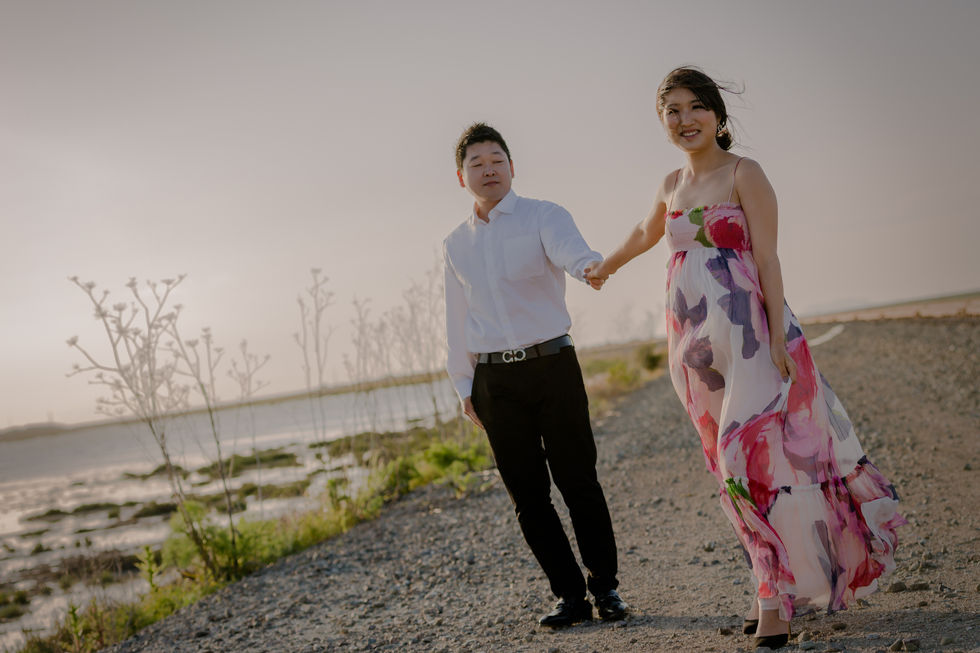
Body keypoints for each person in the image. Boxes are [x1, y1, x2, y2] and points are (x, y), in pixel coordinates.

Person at [586, 68, 905, 649]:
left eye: (695, 107)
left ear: (717, 114)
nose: (685, 120)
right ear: (662, 123)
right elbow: (643, 232)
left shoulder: (744, 173)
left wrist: (779, 339)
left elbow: (769, 259)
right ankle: (771, 587)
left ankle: (774, 601)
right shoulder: (670, 185)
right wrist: (603, 266)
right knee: (724, 467)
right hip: (696, 351)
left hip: (754, 337)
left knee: (746, 461)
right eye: (672, 111)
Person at [443, 122, 628, 627]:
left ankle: (605, 588)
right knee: (527, 496)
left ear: (512, 167)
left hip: (552, 367)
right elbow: (456, 320)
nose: (489, 170)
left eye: (497, 161)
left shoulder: (543, 215)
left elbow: (571, 250)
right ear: (461, 177)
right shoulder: (455, 243)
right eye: (477, 164)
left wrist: (589, 267)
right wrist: (464, 386)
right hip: (494, 382)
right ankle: (570, 596)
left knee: (578, 480)